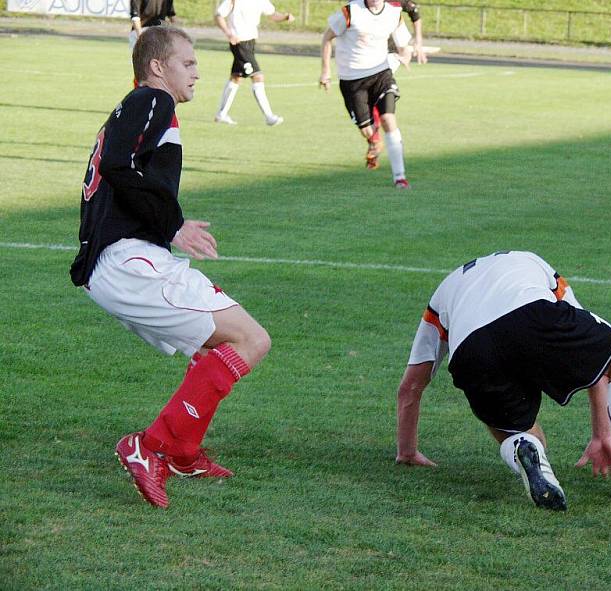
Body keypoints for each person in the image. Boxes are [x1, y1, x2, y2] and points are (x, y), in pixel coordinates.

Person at [70, 26, 271, 509]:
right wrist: (173, 224)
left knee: (223, 343)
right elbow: (120, 163)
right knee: (251, 339)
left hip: (122, 260)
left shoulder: (145, 107)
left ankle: (181, 450)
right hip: (127, 261)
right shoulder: (152, 101)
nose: (197, 71)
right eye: (187, 62)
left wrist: (165, 227)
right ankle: (152, 444)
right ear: (157, 68)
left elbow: (120, 174)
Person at [395, 250, 611, 511]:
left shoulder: (445, 290)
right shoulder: (532, 262)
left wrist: (407, 452)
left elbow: (410, 389)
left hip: (470, 348)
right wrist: (601, 433)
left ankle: (522, 446)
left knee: (521, 433)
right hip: (531, 312)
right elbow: (597, 365)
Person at [320, 0, 412, 189]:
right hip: (352, 79)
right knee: (368, 132)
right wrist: (325, 71)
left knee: (389, 118)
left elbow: (403, 44)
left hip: (381, 73)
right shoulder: (351, 11)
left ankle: (400, 177)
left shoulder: (394, 13)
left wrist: (405, 55)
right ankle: (374, 139)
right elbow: (327, 37)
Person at [214, 0, 295, 126]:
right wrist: (229, 34)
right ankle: (269, 116)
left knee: (236, 78)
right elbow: (219, 16)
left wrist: (285, 17)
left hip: (250, 43)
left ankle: (222, 114)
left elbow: (272, 14)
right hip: (239, 43)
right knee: (258, 76)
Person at [368, 0, 427, 159]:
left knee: (375, 93)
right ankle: (374, 138)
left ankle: (375, 139)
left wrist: (418, 42)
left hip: (391, 53)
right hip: (368, 53)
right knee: (367, 96)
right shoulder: (358, 4)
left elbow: (414, 11)